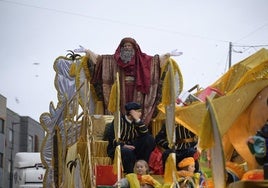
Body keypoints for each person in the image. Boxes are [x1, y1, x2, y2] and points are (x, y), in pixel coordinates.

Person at [74, 37, 183, 125]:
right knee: (120, 112)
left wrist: (168, 54)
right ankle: (119, 130)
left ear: (134, 48)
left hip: (138, 90)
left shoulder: (144, 59)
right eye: (125, 46)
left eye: (129, 46)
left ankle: (138, 127)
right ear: (121, 48)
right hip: (120, 91)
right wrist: (87, 51)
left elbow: (157, 61)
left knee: (136, 111)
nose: (127, 48)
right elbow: (99, 59)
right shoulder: (113, 60)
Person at [106, 102, 156, 174]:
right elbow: (112, 138)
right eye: (138, 112)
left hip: (132, 146)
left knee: (149, 139)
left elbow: (145, 134)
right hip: (118, 147)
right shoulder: (119, 121)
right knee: (127, 152)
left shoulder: (136, 122)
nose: (140, 114)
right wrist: (124, 145)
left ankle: (142, 166)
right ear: (131, 112)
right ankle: (131, 173)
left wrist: (137, 120)